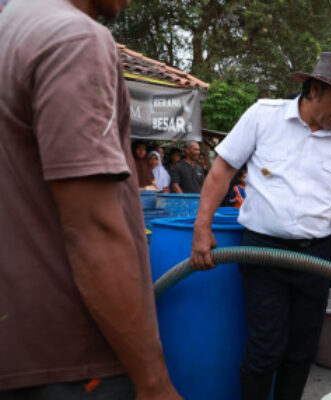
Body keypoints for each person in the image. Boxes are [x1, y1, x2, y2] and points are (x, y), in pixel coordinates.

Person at [0, 0, 181, 398]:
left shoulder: (11, 25)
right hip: (73, 359)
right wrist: (154, 382)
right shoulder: (76, 39)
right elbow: (93, 230)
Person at [189, 52, 331, 400]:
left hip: (317, 255)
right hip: (263, 250)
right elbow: (222, 170)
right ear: (315, 89)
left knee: (302, 348)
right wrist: (202, 227)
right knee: (266, 345)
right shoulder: (264, 116)